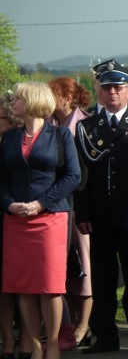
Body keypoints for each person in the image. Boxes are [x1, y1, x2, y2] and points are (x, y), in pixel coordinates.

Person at [74, 60, 128, 354]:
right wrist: (82, 213)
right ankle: (105, 335)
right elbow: (82, 175)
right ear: (97, 90)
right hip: (99, 216)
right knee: (103, 279)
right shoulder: (86, 127)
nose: (112, 93)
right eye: (106, 87)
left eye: (117, 88)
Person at [1, 82, 82, 359]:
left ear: (33, 101)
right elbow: (2, 180)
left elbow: (73, 176)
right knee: (23, 284)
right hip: (16, 219)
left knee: (49, 286)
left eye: (18, 98)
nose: (13, 102)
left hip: (50, 218)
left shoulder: (61, 136)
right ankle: (35, 345)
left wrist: (40, 203)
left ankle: (54, 346)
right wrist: (10, 204)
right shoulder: (10, 138)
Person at [48, 77, 94, 348]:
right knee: (65, 270)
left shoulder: (82, 123)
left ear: (68, 97)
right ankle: (68, 323)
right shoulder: (51, 123)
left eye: (54, 94)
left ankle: (83, 325)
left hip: (78, 206)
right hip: (59, 206)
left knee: (84, 267)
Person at [0, 93, 27, 359]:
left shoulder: (14, 143)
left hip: (15, 215)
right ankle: (7, 339)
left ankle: (25, 338)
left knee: (18, 282)